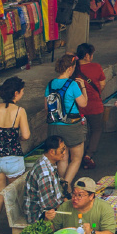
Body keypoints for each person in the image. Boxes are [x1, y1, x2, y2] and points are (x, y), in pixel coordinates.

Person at [0, 77, 31, 234]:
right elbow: (26, 135)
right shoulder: (20, 111)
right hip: (13, 159)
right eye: (22, 91)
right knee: (16, 196)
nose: (22, 93)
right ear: (16, 93)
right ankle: (17, 233)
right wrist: (16, 137)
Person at [46, 54, 88, 183]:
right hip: (71, 126)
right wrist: (83, 87)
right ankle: (66, 184)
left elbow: (47, 106)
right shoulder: (72, 84)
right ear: (70, 68)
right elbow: (83, 103)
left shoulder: (50, 84)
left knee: (62, 158)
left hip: (54, 125)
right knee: (76, 158)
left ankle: (60, 185)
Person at [22, 136, 69, 224]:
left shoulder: (47, 161)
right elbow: (49, 204)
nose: (64, 152)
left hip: (50, 206)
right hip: (38, 215)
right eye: (62, 150)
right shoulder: (44, 173)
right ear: (52, 152)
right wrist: (67, 207)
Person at [74, 44, 105, 171]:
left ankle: (78, 156)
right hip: (94, 105)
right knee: (96, 129)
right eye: (91, 54)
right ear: (87, 56)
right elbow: (102, 84)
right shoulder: (96, 67)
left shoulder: (73, 69)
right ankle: (88, 154)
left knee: (81, 132)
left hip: (77, 107)